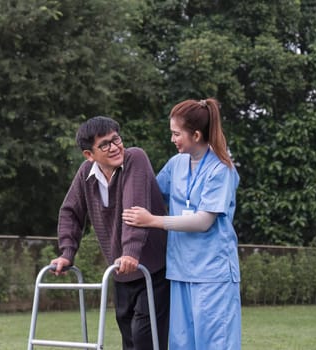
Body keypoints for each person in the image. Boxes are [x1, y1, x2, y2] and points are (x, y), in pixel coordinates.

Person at [122, 98, 241, 350]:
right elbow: (151, 194)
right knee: (182, 344)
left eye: (176, 134)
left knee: (214, 344)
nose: (172, 139)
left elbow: (203, 221)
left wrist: (153, 221)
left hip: (212, 274)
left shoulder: (221, 169)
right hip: (180, 271)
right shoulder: (176, 165)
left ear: (196, 134)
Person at [50, 116, 170, 350]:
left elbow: (133, 207)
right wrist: (67, 252)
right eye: (105, 144)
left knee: (145, 339)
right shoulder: (87, 174)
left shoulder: (135, 158)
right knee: (129, 340)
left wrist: (131, 251)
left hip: (152, 270)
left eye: (116, 139)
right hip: (121, 272)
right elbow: (70, 212)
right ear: (89, 154)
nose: (115, 147)